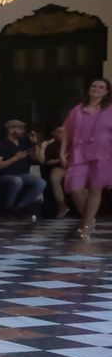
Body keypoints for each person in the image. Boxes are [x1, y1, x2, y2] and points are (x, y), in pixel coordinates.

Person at [63, 78, 112, 239]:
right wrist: (63, 151)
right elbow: (66, 132)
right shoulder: (77, 110)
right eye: (93, 86)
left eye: (101, 87)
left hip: (102, 155)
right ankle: (89, 220)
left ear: (106, 92)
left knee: (95, 190)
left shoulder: (110, 110)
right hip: (79, 154)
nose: (96, 89)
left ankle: (85, 225)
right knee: (75, 188)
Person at [0, 120, 47, 218]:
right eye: (20, 129)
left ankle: (19, 207)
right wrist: (15, 158)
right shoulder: (1, 145)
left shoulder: (24, 143)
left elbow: (38, 159)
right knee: (17, 181)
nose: (23, 131)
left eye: (22, 129)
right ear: (11, 130)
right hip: (4, 176)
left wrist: (35, 143)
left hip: (22, 175)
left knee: (41, 182)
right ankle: (8, 208)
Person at [38, 125, 70, 218]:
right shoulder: (51, 145)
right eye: (59, 132)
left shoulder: (72, 143)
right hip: (59, 167)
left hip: (75, 167)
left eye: (64, 131)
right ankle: (62, 206)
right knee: (55, 179)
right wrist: (61, 159)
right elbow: (47, 162)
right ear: (54, 134)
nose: (63, 134)